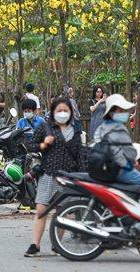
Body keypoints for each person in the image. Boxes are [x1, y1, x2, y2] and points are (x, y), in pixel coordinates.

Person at [24, 97, 87, 257]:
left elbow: (79, 154)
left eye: (66, 110)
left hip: (67, 176)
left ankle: (56, 245)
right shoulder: (45, 127)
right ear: (53, 112)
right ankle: (35, 245)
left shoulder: (76, 130)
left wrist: (81, 177)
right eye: (59, 110)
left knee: (63, 212)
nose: (62, 113)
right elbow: (29, 144)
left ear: (71, 112)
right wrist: (43, 144)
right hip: (48, 173)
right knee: (41, 209)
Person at [94, 93, 140, 199]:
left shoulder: (104, 127)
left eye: (124, 111)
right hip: (120, 169)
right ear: (112, 113)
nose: (124, 113)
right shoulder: (118, 128)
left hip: (108, 167)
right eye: (120, 111)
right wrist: (130, 161)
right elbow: (126, 152)